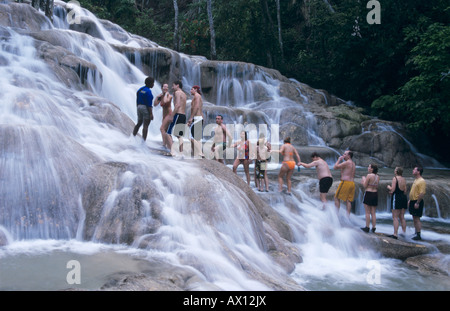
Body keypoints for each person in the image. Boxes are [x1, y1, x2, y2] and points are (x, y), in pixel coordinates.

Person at [167, 80, 187, 156]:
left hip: (177, 114)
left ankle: (172, 151)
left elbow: (177, 105)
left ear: (177, 85)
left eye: (173, 85)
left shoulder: (177, 93)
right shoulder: (184, 94)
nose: (172, 87)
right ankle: (181, 152)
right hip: (183, 115)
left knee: (168, 133)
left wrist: (172, 115)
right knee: (179, 135)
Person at [387, 167, 408, 239]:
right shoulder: (404, 179)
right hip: (403, 197)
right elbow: (405, 190)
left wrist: (389, 187)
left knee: (395, 217)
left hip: (396, 198)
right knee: (402, 217)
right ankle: (403, 232)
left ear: (396, 171)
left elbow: (392, 190)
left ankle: (395, 234)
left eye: (395, 170)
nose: (394, 170)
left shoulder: (395, 178)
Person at [333, 150, 356, 215]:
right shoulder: (353, 163)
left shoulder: (347, 163)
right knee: (348, 201)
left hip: (345, 183)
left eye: (345, 154)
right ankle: (347, 217)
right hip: (352, 183)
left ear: (348, 156)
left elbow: (335, 167)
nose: (343, 155)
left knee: (336, 198)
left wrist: (339, 160)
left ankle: (336, 215)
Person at [132, 77, 154, 141]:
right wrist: (151, 114)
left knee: (139, 123)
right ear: (150, 84)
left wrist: (138, 107)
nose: (153, 85)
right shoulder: (148, 92)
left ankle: (132, 137)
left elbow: (137, 97)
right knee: (146, 125)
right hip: (145, 108)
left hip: (139, 107)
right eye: (153, 83)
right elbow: (149, 104)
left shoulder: (140, 89)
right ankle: (143, 142)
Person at [409, 166, 426, 241]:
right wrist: (410, 200)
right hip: (413, 201)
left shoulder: (421, 181)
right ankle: (416, 232)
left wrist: (417, 202)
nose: (413, 170)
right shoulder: (416, 180)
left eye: (414, 169)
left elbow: (422, 193)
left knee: (417, 218)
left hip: (417, 201)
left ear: (418, 172)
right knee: (414, 218)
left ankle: (418, 235)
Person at [360, 164, 379, 233]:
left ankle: (367, 227)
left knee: (367, 212)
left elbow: (365, 186)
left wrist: (363, 180)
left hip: (369, 193)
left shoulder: (369, 175)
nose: (368, 168)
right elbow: (376, 186)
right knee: (373, 212)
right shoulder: (377, 176)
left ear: (372, 169)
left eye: (369, 167)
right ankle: (374, 227)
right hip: (375, 194)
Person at [153, 83, 173, 149]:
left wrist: (165, 94)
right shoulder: (161, 96)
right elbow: (155, 104)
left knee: (162, 128)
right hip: (164, 115)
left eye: (167, 87)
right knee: (166, 131)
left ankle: (164, 145)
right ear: (161, 88)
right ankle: (170, 146)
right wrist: (157, 97)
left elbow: (165, 102)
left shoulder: (169, 96)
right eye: (164, 87)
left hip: (169, 114)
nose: (165, 88)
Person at [187, 85, 205, 158]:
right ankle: (195, 153)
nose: (190, 91)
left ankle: (200, 152)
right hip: (199, 118)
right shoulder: (198, 96)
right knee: (196, 137)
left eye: (192, 89)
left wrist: (191, 118)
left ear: (196, 90)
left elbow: (196, 107)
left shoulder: (197, 96)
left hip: (197, 118)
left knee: (191, 137)